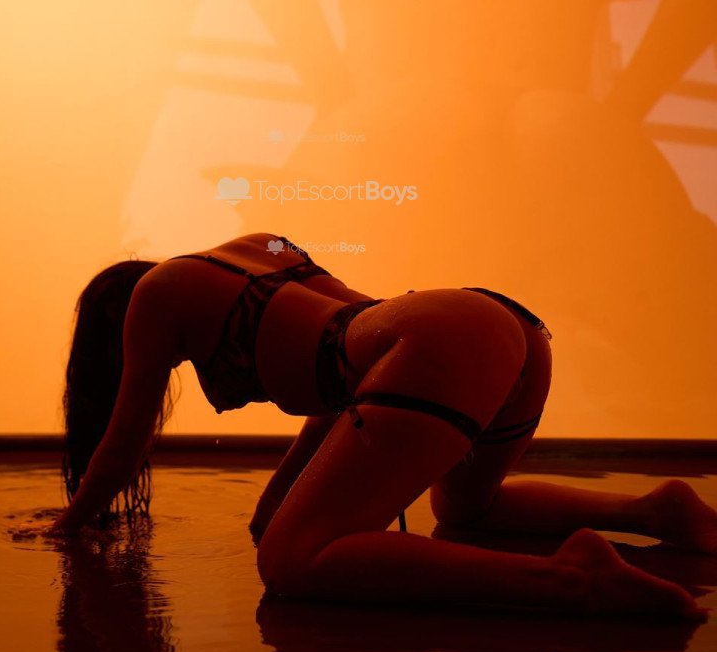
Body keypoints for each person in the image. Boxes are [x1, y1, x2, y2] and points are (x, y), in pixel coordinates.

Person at [47, 231, 713, 621]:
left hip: (434, 342)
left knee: (289, 563)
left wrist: (67, 525)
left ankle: (571, 578)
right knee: (466, 507)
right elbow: (343, 379)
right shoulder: (261, 247)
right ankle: (654, 511)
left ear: (112, 318)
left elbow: (125, 439)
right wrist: (275, 503)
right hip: (499, 324)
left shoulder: (155, 298)